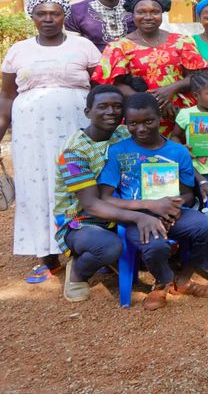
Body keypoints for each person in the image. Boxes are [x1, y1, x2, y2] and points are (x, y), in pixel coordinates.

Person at [0, 0, 101, 282]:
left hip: (75, 125)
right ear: (32, 17)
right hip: (31, 134)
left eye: (54, 13)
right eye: (41, 14)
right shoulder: (19, 51)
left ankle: (86, 247)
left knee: (79, 180)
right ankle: (47, 254)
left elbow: (100, 85)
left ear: (64, 16)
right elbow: (6, 97)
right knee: (38, 184)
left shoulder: (83, 46)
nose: (47, 19)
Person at [98, 93, 208, 311]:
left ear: (159, 117)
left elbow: (188, 194)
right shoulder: (118, 152)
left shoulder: (177, 151)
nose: (141, 129)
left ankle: (183, 278)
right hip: (138, 217)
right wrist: (150, 207)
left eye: (148, 121)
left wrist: (173, 207)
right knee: (155, 246)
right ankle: (163, 280)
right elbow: (106, 197)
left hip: (174, 212)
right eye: (132, 123)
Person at [54, 86, 166, 302]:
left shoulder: (124, 133)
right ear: (88, 112)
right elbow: (91, 205)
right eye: (103, 106)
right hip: (82, 221)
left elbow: (162, 150)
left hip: (122, 207)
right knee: (110, 247)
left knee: (163, 232)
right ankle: (78, 272)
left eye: (117, 106)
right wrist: (140, 215)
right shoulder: (74, 152)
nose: (111, 112)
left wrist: (201, 180)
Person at [93, 0, 206, 136]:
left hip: (180, 116)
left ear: (162, 13)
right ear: (132, 14)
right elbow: (113, 84)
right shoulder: (118, 47)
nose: (148, 17)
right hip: (139, 118)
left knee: (183, 155)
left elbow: (197, 76)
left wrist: (171, 89)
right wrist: (149, 100)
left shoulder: (182, 41)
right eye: (141, 12)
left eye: (155, 12)